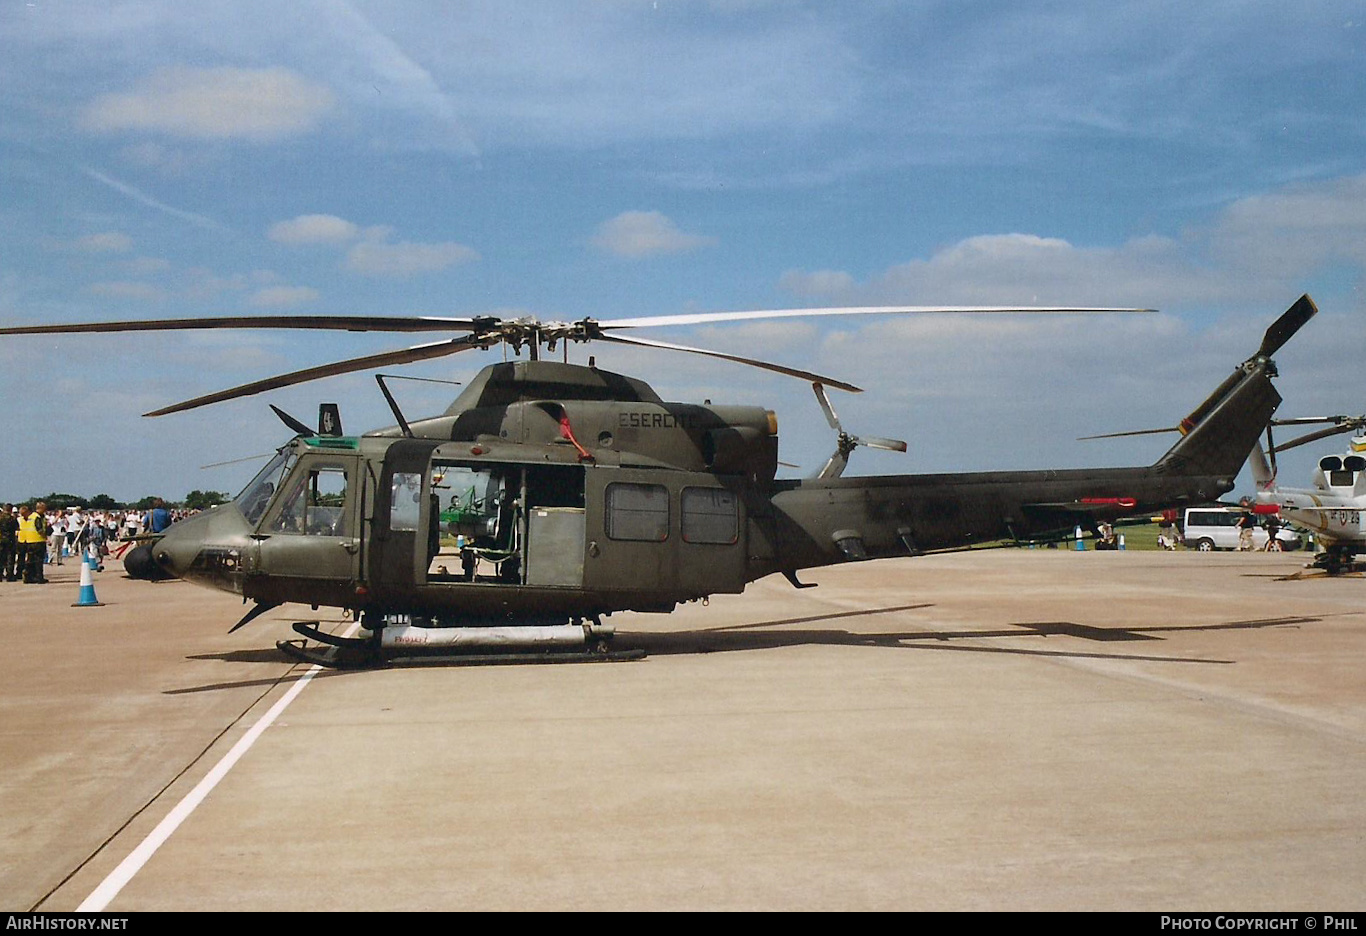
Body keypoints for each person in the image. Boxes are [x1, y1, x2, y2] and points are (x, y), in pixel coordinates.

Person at [18, 502, 49, 584]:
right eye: (44, 508)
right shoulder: (37, 517)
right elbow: (40, 529)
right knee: (39, 560)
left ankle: (28, 576)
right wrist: (46, 536)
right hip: (38, 541)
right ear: (41, 508)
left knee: (30, 560)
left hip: (29, 541)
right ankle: (39, 578)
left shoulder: (30, 517)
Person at [0, 504, 19, 581]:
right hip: (10, 540)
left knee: (1, 557)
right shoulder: (12, 519)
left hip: (1, 540)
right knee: (10, 557)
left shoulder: (0, 518)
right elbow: (17, 527)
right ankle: (10, 575)